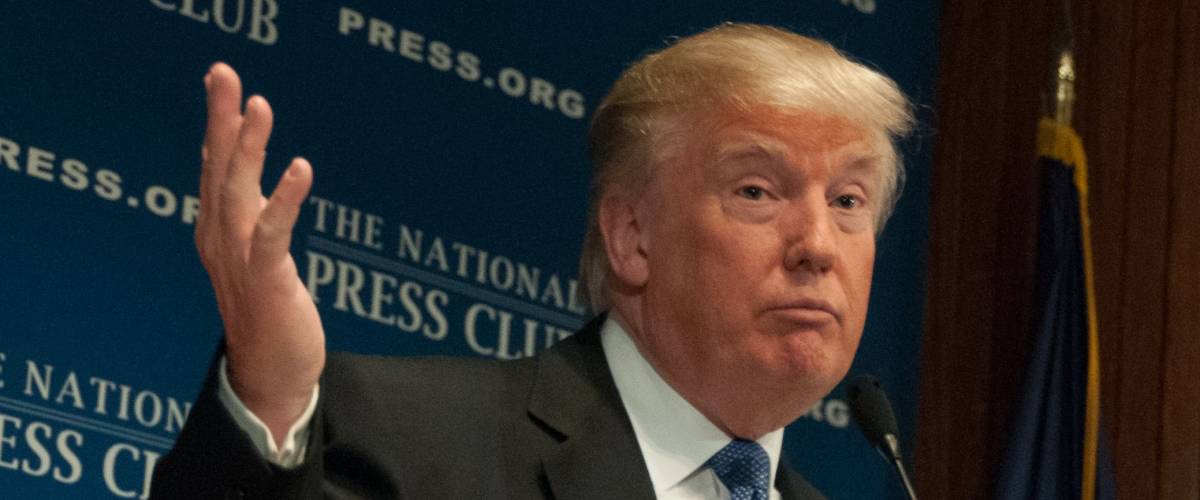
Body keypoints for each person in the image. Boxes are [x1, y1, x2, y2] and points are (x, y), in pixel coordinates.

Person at [150, 22, 913, 499]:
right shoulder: (406, 441)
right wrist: (271, 400)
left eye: (849, 201)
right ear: (632, 237)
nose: (817, 244)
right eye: (757, 190)